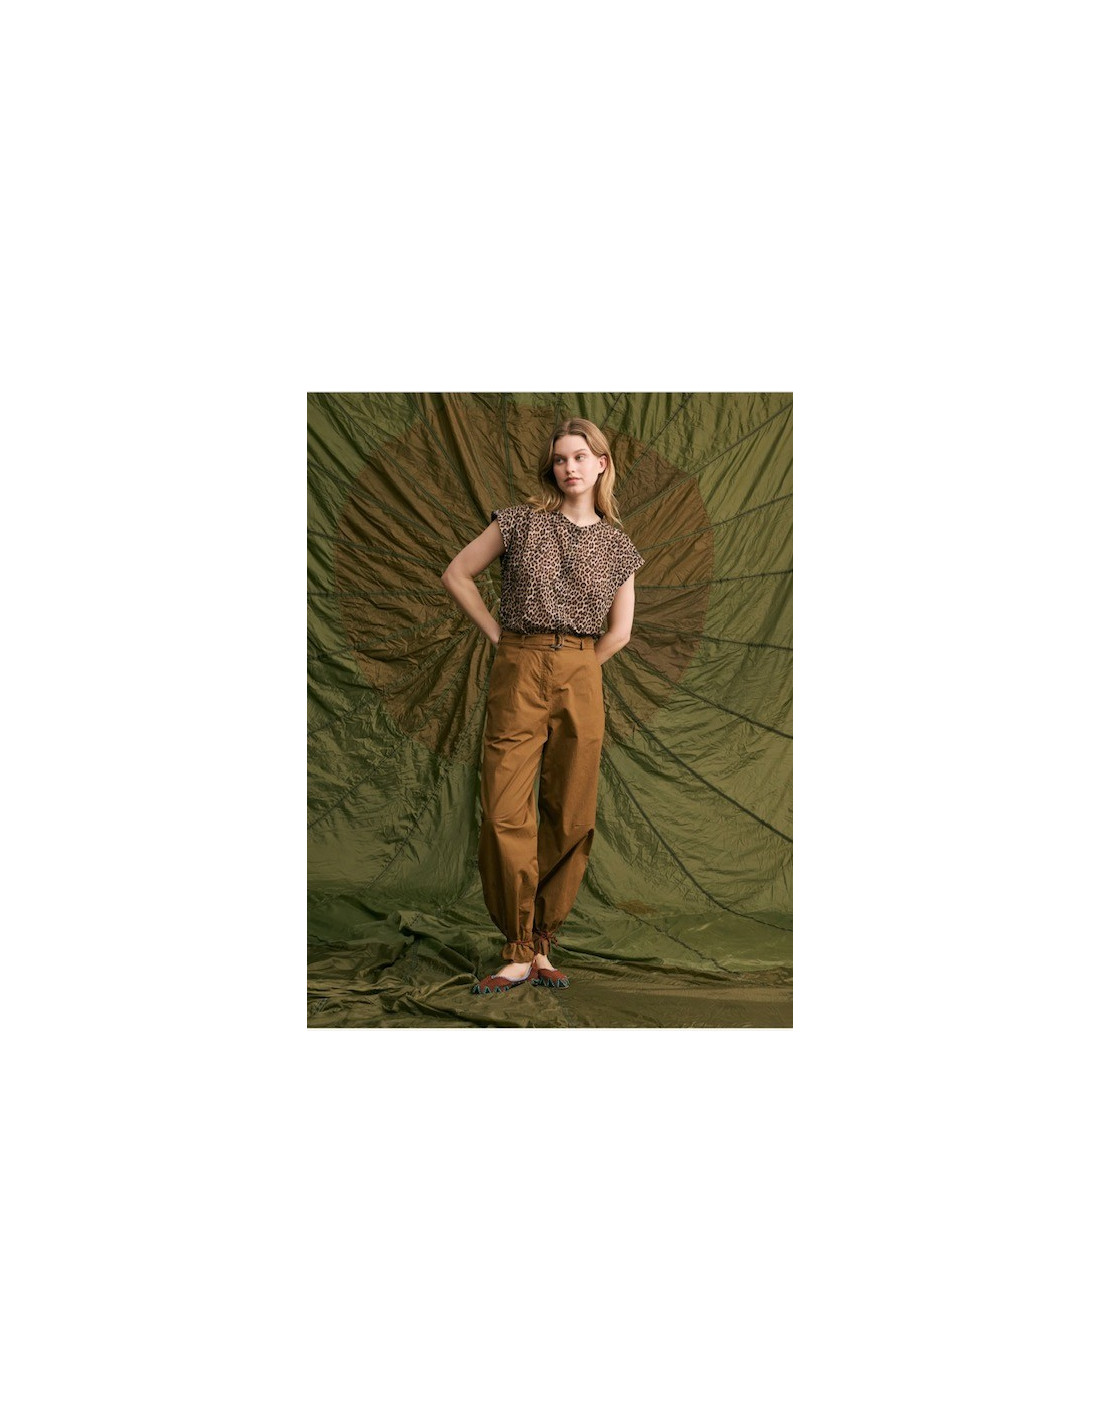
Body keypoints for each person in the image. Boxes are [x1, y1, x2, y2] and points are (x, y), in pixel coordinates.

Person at [440, 417, 646, 996]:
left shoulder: (619, 547)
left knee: (571, 812)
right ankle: (515, 948)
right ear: (551, 468)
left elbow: (621, 632)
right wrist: (500, 639)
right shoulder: (520, 521)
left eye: (579, 457)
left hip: (582, 669)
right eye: (560, 459)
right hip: (519, 662)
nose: (569, 467)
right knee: (504, 808)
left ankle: (541, 945)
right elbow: (457, 574)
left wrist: (577, 668)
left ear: (601, 464)